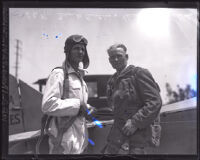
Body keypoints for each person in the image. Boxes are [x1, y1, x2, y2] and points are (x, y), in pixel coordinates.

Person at [104, 44, 162, 154]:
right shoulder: (112, 81)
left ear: (126, 57)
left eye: (119, 56)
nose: (115, 59)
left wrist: (135, 122)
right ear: (109, 60)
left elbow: (155, 102)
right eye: (112, 57)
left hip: (139, 136)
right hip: (118, 136)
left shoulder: (139, 74)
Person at [41, 35, 93, 154]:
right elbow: (48, 105)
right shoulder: (59, 74)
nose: (80, 52)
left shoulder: (80, 79)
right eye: (76, 48)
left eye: (83, 49)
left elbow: (80, 104)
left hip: (80, 140)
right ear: (68, 51)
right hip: (63, 141)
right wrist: (78, 106)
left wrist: (88, 108)